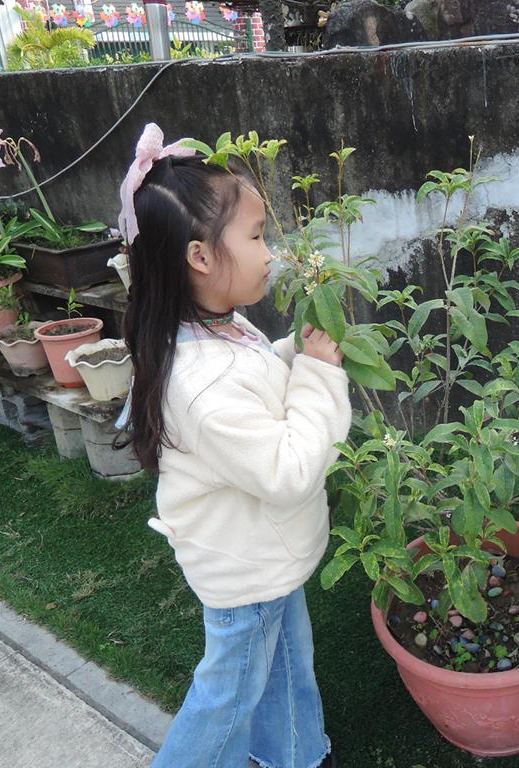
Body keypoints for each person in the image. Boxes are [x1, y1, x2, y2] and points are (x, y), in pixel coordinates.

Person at [117, 123, 350, 768]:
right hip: (246, 568)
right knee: (227, 697)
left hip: (263, 554)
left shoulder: (215, 329)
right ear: (199, 257)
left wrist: (293, 353)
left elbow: (256, 379)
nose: (270, 252)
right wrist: (319, 375)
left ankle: (298, 754)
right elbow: (288, 469)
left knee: (286, 666)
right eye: (255, 237)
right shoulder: (202, 381)